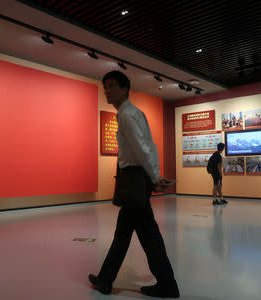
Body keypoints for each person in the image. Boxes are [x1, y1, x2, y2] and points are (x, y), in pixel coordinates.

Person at [88, 71, 179, 298]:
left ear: (124, 88)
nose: (106, 91)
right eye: (105, 86)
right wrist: (154, 176)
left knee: (144, 237)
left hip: (134, 181)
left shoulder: (127, 115)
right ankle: (106, 279)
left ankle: (165, 284)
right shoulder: (131, 113)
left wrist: (155, 177)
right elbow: (150, 147)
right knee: (133, 235)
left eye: (111, 86)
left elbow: (143, 149)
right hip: (137, 180)